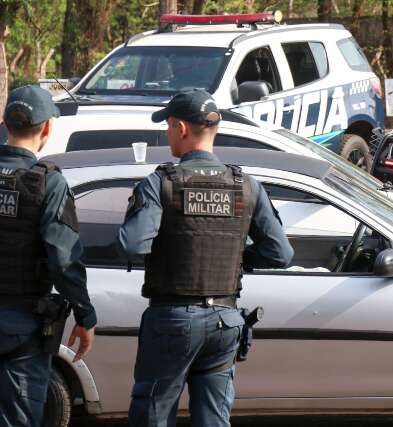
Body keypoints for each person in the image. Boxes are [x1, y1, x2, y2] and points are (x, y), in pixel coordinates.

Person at [118, 90, 293, 427]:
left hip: (172, 320)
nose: (167, 134)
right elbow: (281, 253)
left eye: (168, 127)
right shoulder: (246, 185)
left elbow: (132, 245)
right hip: (224, 321)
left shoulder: (161, 183)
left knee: (153, 414)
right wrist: (237, 258)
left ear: (181, 128)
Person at [0, 85, 96, 426]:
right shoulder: (48, 183)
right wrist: (85, 316)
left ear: (6, 121)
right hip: (22, 325)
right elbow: (61, 256)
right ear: (47, 128)